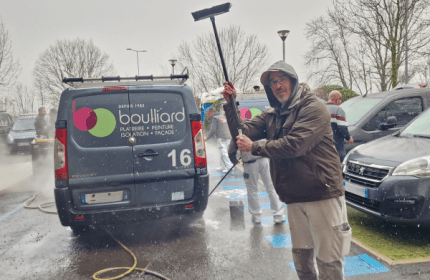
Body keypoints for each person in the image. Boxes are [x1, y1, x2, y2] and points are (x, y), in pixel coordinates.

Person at [222, 60, 351, 280]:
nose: (278, 85)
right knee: (302, 262)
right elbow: (242, 131)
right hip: (294, 197)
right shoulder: (272, 113)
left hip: (322, 193)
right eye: (273, 82)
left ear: (292, 80)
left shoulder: (313, 107)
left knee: (328, 260)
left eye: (282, 79)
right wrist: (231, 104)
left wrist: (254, 147)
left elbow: (295, 144)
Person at [229, 137, 285, 224]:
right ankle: (278, 215)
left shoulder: (239, 129)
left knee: (252, 190)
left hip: (250, 163)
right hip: (265, 159)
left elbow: (231, 150)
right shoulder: (261, 124)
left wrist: (235, 161)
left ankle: (256, 216)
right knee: (271, 188)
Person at [326, 90, 354, 162]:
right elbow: (342, 127)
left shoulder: (322, 108)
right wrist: (348, 138)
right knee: (340, 165)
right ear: (336, 99)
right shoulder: (338, 110)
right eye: (340, 99)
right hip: (337, 145)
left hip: (324, 145)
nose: (340, 102)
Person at [204, 106, 234, 173]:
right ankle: (222, 166)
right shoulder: (222, 117)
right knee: (224, 152)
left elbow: (212, 130)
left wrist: (207, 138)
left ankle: (229, 167)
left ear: (212, 112)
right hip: (228, 136)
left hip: (221, 137)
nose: (208, 115)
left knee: (223, 153)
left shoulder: (214, 118)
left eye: (208, 113)